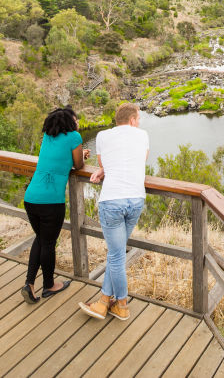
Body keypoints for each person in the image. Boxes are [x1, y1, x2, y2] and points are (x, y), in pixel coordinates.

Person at [79, 102, 148, 321]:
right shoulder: (143, 135)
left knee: (116, 255)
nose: (138, 123)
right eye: (138, 119)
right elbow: (141, 160)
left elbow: (104, 163)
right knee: (116, 254)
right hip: (136, 199)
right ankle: (103, 301)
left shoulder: (102, 136)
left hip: (113, 201)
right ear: (132, 120)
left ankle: (122, 305)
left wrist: (101, 170)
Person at [20, 106, 87, 304]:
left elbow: (60, 158)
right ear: (69, 121)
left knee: (40, 239)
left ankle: (29, 284)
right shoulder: (74, 137)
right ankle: (49, 285)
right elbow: (78, 165)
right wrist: (82, 155)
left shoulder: (48, 138)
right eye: (75, 119)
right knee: (48, 243)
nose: (77, 122)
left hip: (31, 197)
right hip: (51, 201)